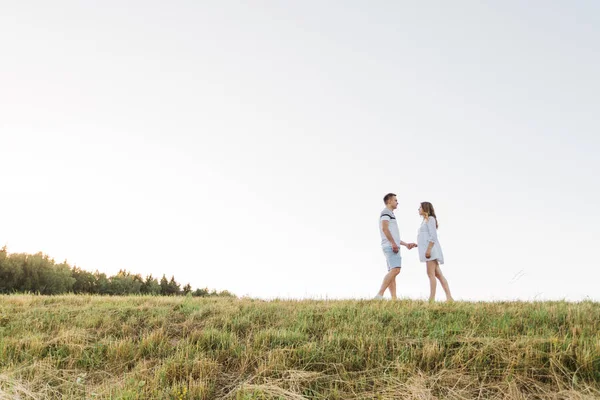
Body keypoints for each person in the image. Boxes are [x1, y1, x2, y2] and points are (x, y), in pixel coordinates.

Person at [374, 193, 416, 300]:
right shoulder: (386, 212)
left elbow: (393, 235)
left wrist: (406, 244)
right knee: (396, 270)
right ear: (389, 201)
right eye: (395, 200)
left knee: (392, 272)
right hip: (390, 246)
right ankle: (380, 294)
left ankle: (394, 299)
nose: (397, 202)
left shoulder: (390, 214)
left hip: (390, 245)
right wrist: (393, 243)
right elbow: (384, 229)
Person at [417, 202, 453, 302]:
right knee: (439, 275)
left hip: (431, 251)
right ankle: (449, 298)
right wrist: (418, 245)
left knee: (430, 274)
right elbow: (424, 237)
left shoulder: (430, 219)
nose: (418, 209)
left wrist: (428, 249)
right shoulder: (424, 221)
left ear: (425, 208)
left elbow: (433, 236)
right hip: (428, 249)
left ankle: (432, 298)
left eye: (420, 207)